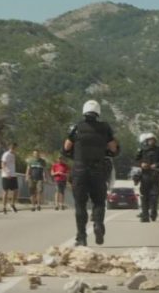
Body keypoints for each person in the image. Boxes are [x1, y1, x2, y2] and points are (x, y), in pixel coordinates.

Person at [62, 100, 119, 246]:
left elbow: (66, 147)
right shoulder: (105, 128)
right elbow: (114, 149)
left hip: (80, 169)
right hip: (98, 170)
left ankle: (81, 237)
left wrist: (73, 154)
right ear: (98, 112)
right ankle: (98, 224)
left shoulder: (77, 127)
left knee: (80, 205)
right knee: (99, 201)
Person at [133, 133, 159, 223]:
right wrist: (141, 164)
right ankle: (145, 216)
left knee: (155, 197)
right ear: (146, 141)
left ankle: (154, 213)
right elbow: (136, 161)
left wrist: (156, 165)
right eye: (149, 139)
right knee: (144, 196)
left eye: (153, 139)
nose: (151, 141)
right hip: (145, 176)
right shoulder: (142, 150)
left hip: (155, 175)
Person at [1, 142, 19, 214]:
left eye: (15, 148)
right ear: (10, 147)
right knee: (5, 191)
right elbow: (2, 164)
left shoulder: (14, 155)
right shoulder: (6, 154)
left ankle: (12, 204)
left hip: (13, 175)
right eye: (12, 148)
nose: (14, 149)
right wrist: (6, 172)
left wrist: (12, 173)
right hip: (6, 175)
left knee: (16, 190)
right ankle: (4, 207)